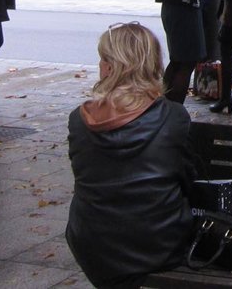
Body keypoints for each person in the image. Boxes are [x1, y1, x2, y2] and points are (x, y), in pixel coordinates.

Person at [66, 23, 198, 289]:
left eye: (102, 59)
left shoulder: (79, 120)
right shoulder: (173, 116)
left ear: (111, 67)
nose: (100, 66)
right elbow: (189, 180)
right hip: (159, 243)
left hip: (92, 245)